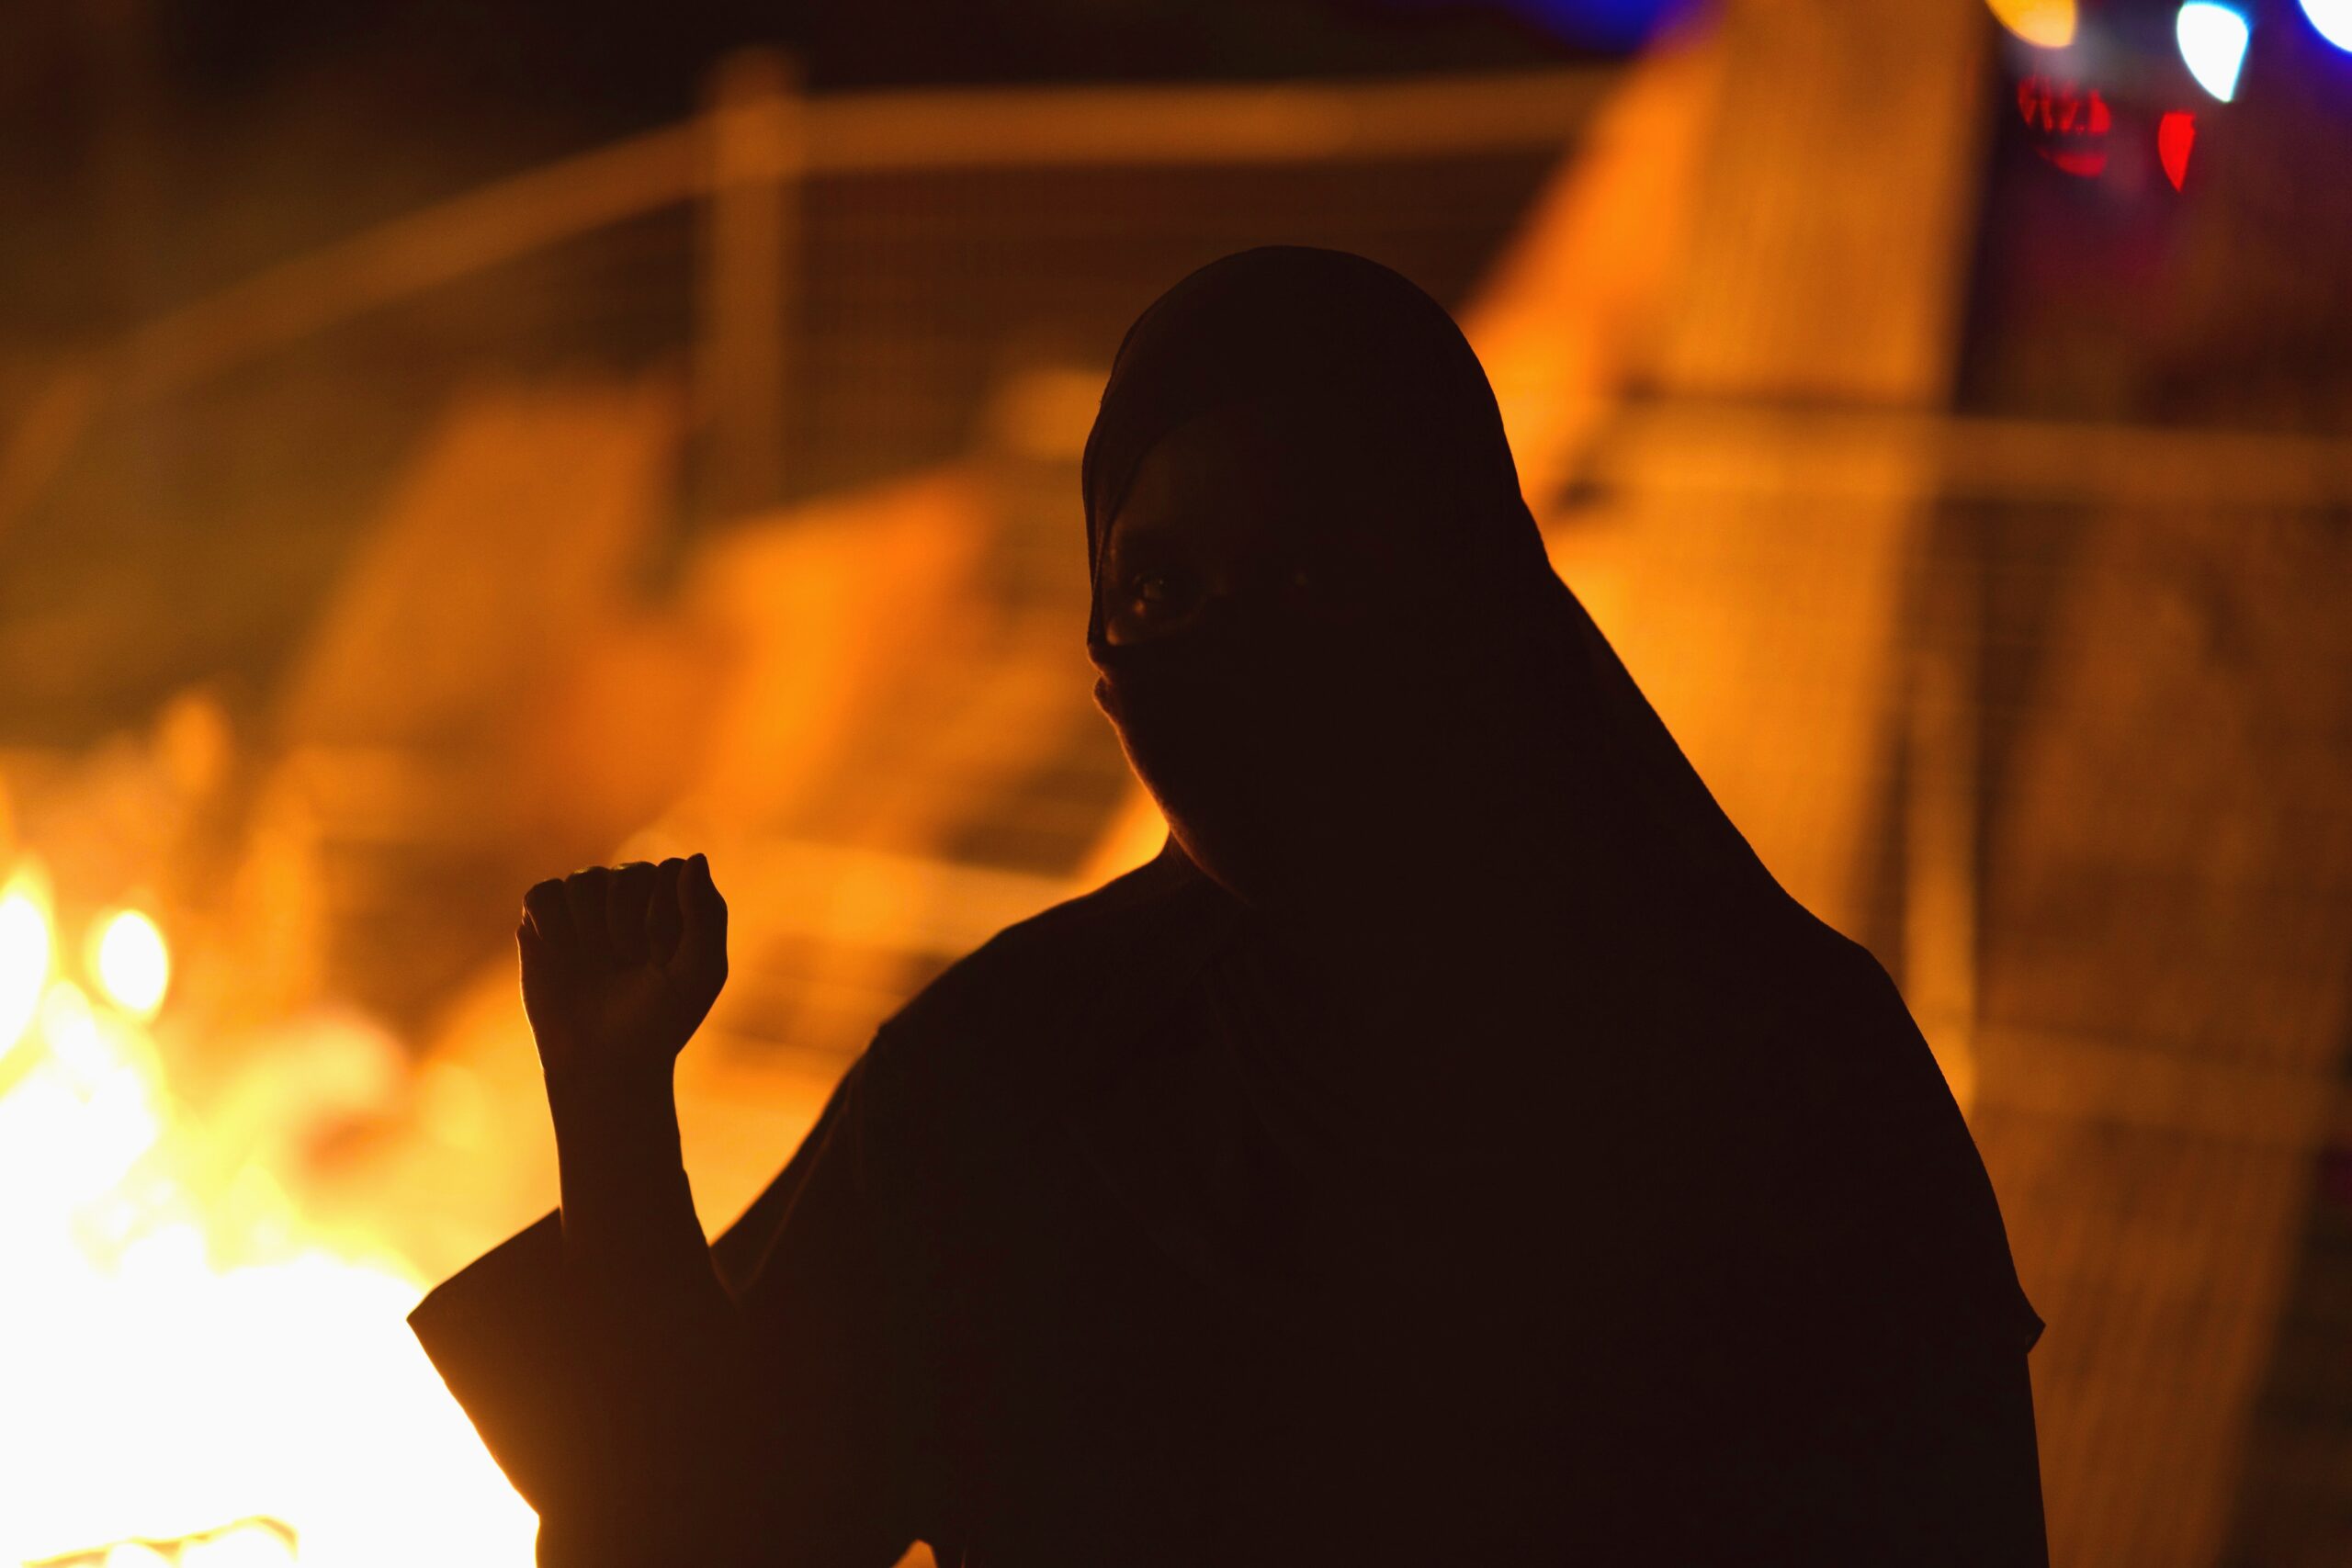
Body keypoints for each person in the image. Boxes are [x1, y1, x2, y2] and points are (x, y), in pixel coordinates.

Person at [411, 247, 2049, 1566]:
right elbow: (709, 1538)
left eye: (1318, 577)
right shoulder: (1023, 1073)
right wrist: (616, 1122)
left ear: (1473, 592)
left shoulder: (1777, 1084)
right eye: (1158, 592)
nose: (1233, 650)